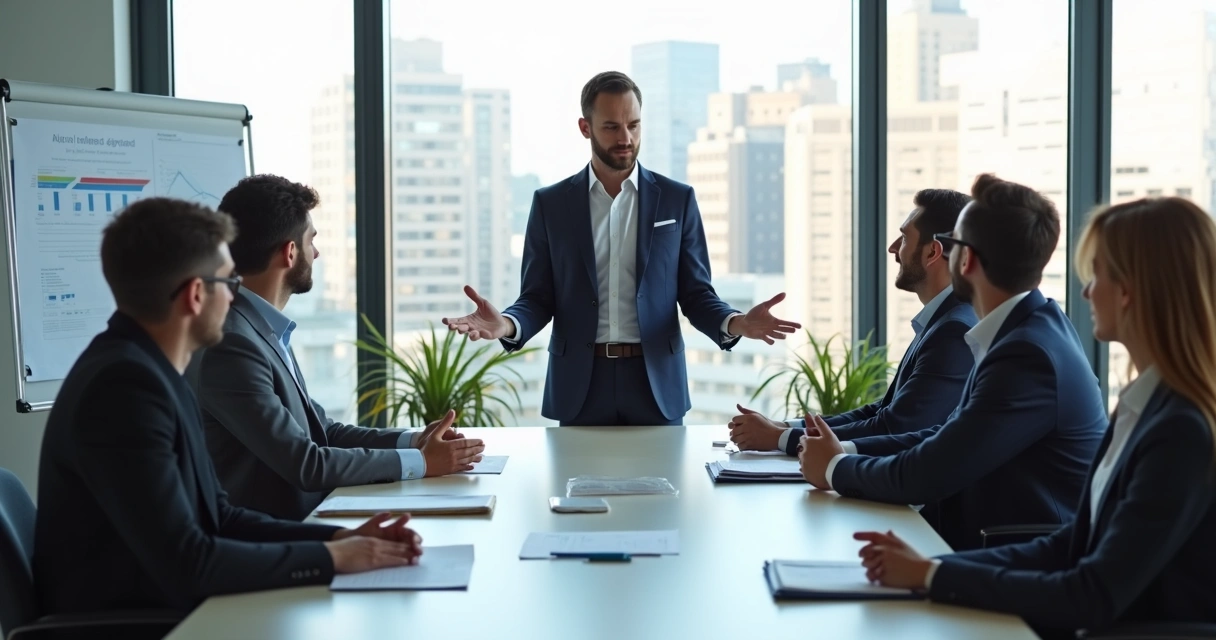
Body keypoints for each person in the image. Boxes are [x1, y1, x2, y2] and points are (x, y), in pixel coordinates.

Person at [34, 198, 425, 622]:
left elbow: (219, 516)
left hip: (167, 603)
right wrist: (332, 559)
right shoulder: (124, 390)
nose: (236, 296)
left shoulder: (150, 371)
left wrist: (339, 539)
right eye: (229, 282)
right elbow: (190, 563)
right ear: (196, 295)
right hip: (134, 622)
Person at [853, 197, 1216, 638]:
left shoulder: (1180, 428)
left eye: (1096, 274)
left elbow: (1091, 594)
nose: (1086, 292)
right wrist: (931, 567)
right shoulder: (1146, 406)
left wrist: (932, 577)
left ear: (1129, 290)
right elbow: (1073, 543)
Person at [440, 71, 800, 426]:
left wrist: (735, 322)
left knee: (663, 486)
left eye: (634, 125)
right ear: (585, 128)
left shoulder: (677, 200)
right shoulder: (551, 204)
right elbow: (538, 297)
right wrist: (507, 324)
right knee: (573, 483)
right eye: (611, 127)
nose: (625, 137)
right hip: (580, 383)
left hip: (655, 382)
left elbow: (696, 294)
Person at [798, 174, 1107, 551]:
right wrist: (841, 453)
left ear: (967, 259)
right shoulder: (1025, 329)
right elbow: (947, 434)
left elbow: (934, 470)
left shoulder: (1028, 354)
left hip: (1013, 559)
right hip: (983, 541)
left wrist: (833, 468)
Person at [187, 175, 484, 521]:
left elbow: (324, 431)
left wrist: (414, 441)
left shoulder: (260, 327)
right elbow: (305, 463)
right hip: (276, 539)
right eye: (311, 240)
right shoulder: (232, 342)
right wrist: (422, 463)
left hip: (310, 520)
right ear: (290, 252)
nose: (317, 252)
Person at [729, 189, 977, 453]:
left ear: (932, 253)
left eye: (904, 238)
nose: (892, 248)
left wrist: (781, 439)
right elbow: (882, 410)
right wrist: (782, 427)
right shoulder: (943, 319)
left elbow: (897, 427)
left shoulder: (953, 330)